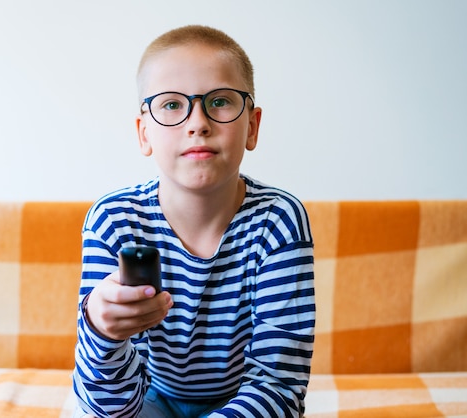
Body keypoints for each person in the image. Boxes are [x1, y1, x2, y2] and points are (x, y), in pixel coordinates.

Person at [73, 25, 315, 418]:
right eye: (171, 105)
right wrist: (102, 332)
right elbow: (106, 409)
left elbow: (278, 386)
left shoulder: (280, 222)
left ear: (251, 126)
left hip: (244, 400)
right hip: (146, 398)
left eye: (219, 101)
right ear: (144, 132)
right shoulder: (113, 221)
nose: (197, 122)